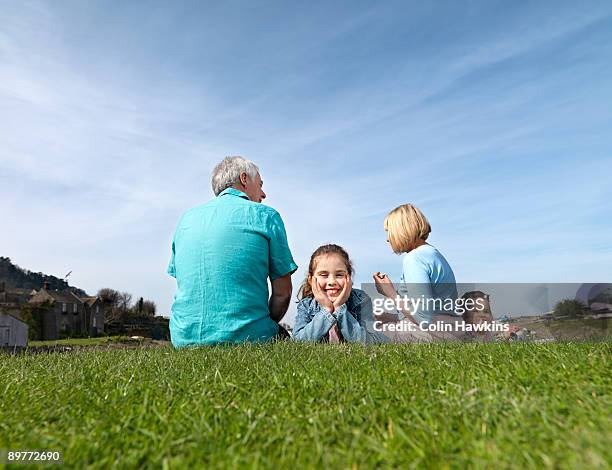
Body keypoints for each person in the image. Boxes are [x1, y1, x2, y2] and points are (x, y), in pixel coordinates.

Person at [167, 156, 298, 347]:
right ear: (244, 179)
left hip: (183, 340)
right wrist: (257, 325)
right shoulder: (267, 216)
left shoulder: (186, 220)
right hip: (249, 339)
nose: (263, 194)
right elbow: (283, 294)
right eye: (260, 184)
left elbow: (186, 282)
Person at [373, 203, 459, 341]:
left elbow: (423, 319)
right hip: (449, 331)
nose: (388, 238)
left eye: (389, 231)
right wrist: (388, 317)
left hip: (433, 335)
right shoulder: (432, 253)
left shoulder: (414, 258)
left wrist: (389, 293)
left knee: (370, 335)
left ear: (402, 230)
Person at [293, 244, 388, 343]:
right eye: (324, 275)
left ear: (349, 278)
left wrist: (339, 308)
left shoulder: (361, 300)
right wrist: (326, 310)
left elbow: (370, 341)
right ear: (311, 280)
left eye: (339, 275)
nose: (332, 281)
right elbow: (298, 341)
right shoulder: (306, 306)